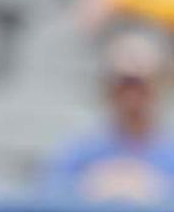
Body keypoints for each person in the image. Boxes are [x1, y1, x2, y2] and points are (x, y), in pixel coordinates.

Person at [45, 32, 174, 203]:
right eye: (124, 85)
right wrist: (90, 186)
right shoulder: (79, 150)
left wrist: (157, 188)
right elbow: (48, 197)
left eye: (141, 85)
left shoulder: (170, 151)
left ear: (160, 85)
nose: (132, 96)